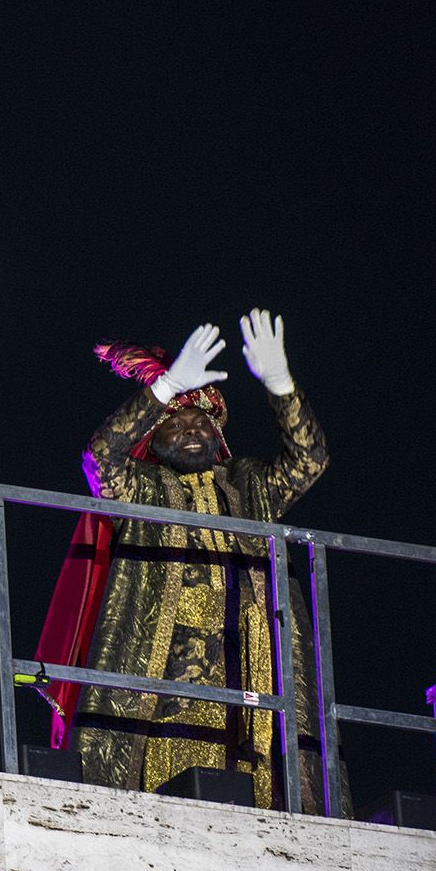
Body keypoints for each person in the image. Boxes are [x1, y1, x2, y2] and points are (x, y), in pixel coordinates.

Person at [35, 310, 343, 813]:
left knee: (255, 779)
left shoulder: (251, 484)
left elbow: (309, 461)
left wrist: (281, 385)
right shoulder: (140, 487)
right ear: (152, 438)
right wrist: (167, 385)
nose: (193, 428)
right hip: (161, 668)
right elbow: (99, 456)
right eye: (175, 421)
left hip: (248, 663)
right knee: (165, 782)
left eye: (203, 420)